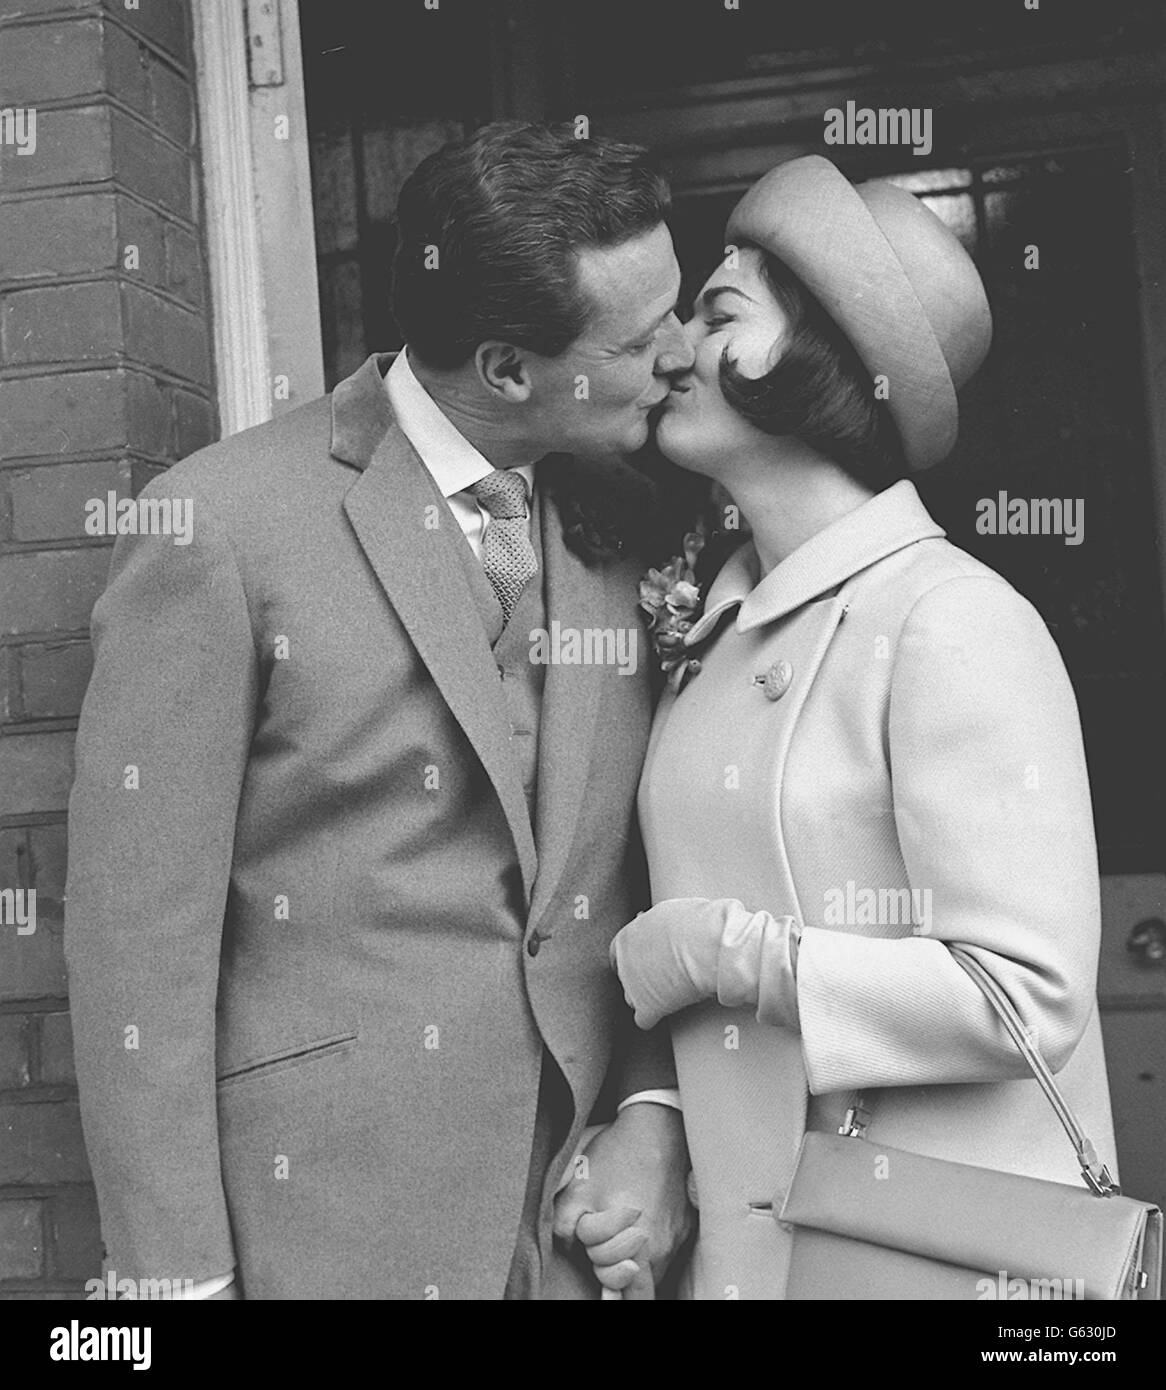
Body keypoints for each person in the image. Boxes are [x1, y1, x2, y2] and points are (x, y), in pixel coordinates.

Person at [64, 122, 694, 1300]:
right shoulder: (217, 527)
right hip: (326, 1226)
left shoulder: (629, 509)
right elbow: (133, 945)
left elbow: (640, 862)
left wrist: (650, 1108)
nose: (682, 352)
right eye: (642, 334)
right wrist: (172, 1284)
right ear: (509, 367)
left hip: (579, 1232)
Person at [610, 155, 1117, 1299]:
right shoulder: (714, 625)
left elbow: (1026, 997)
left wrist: (725, 955)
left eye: (716, 310)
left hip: (929, 1262)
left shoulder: (950, 618)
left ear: (827, 362)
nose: (671, 348)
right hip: (749, 1247)